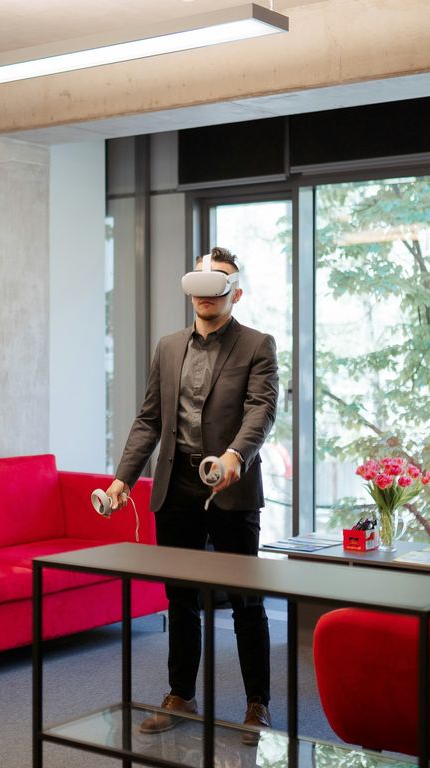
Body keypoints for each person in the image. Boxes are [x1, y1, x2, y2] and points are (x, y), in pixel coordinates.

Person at [103, 246, 279, 746]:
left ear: (235, 292)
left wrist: (234, 458)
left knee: (246, 601)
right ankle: (181, 694)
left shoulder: (257, 345)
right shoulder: (168, 346)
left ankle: (257, 704)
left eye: (218, 283)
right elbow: (150, 419)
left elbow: (261, 411)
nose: (206, 293)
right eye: (200, 282)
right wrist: (122, 479)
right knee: (180, 598)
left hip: (231, 486)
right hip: (176, 485)